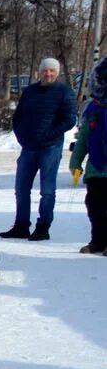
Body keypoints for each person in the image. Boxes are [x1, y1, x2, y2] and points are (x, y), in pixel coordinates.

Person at [4, 57, 78, 241]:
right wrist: (20, 135)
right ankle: (21, 225)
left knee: (47, 190)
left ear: (57, 72)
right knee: (21, 188)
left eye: (52, 70)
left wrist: (51, 135)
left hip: (50, 147)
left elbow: (69, 119)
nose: (48, 73)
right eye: (45, 70)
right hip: (28, 147)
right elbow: (18, 116)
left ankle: (43, 226)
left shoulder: (64, 92)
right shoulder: (30, 91)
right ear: (39, 72)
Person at [71, 55, 107, 255]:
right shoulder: (94, 107)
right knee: (94, 207)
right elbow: (85, 135)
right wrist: (76, 161)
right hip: (96, 168)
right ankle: (98, 242)